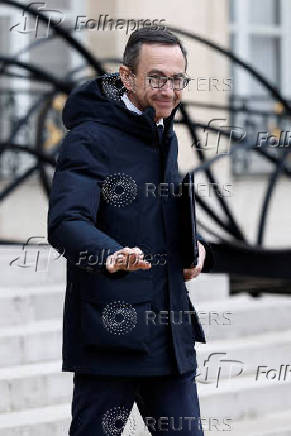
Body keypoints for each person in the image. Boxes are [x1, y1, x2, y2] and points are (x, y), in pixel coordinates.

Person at [47, 26, 214, 436]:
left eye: (178, 80)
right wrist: (110, 254)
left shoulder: (164, 134)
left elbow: (151, 216)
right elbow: (66, 222)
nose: (169, 90)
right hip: (112, 337)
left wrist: (189, 249)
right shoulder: (88, 139)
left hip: (170, 339)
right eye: (157, 78)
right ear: (127, 76)